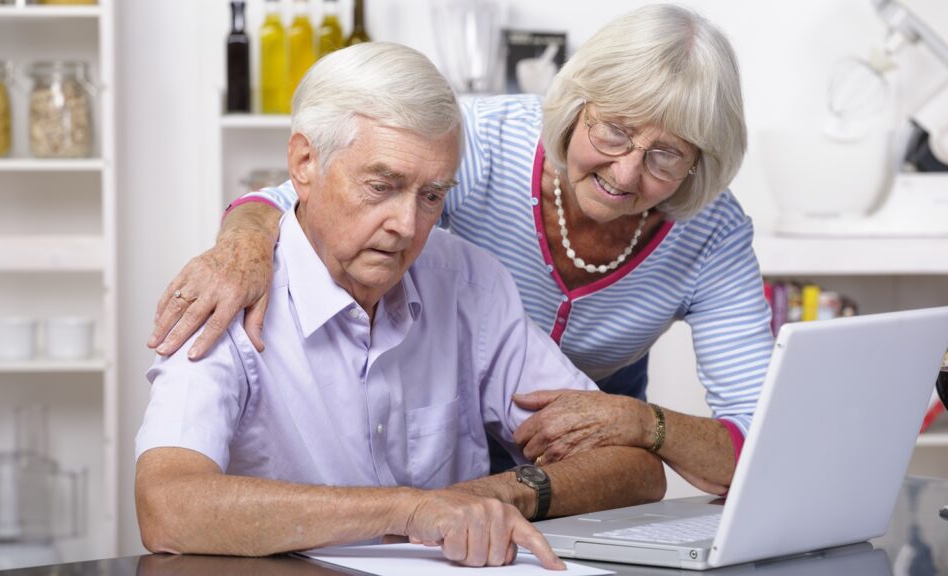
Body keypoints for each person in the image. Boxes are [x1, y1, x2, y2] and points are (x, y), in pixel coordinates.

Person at [147, 4, 772, 495]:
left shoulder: (710, 234)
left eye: (667, 156)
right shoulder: (481, 144)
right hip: (463, 394)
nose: (628, 173)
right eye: (613, 130)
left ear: (699, 165)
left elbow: (754, 439)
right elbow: (320, 190)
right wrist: (245, 238)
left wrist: (642, 424)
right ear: (577, 106)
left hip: (588, 414)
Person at [135, 42, 665, 569]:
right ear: (304, 162)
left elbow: (635, 468)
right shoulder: (229, 292)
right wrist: (411, 510)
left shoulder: (467, 281)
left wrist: (498, 495)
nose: (407, 228)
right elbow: (168, 506)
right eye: (381, 187)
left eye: (432, 196)